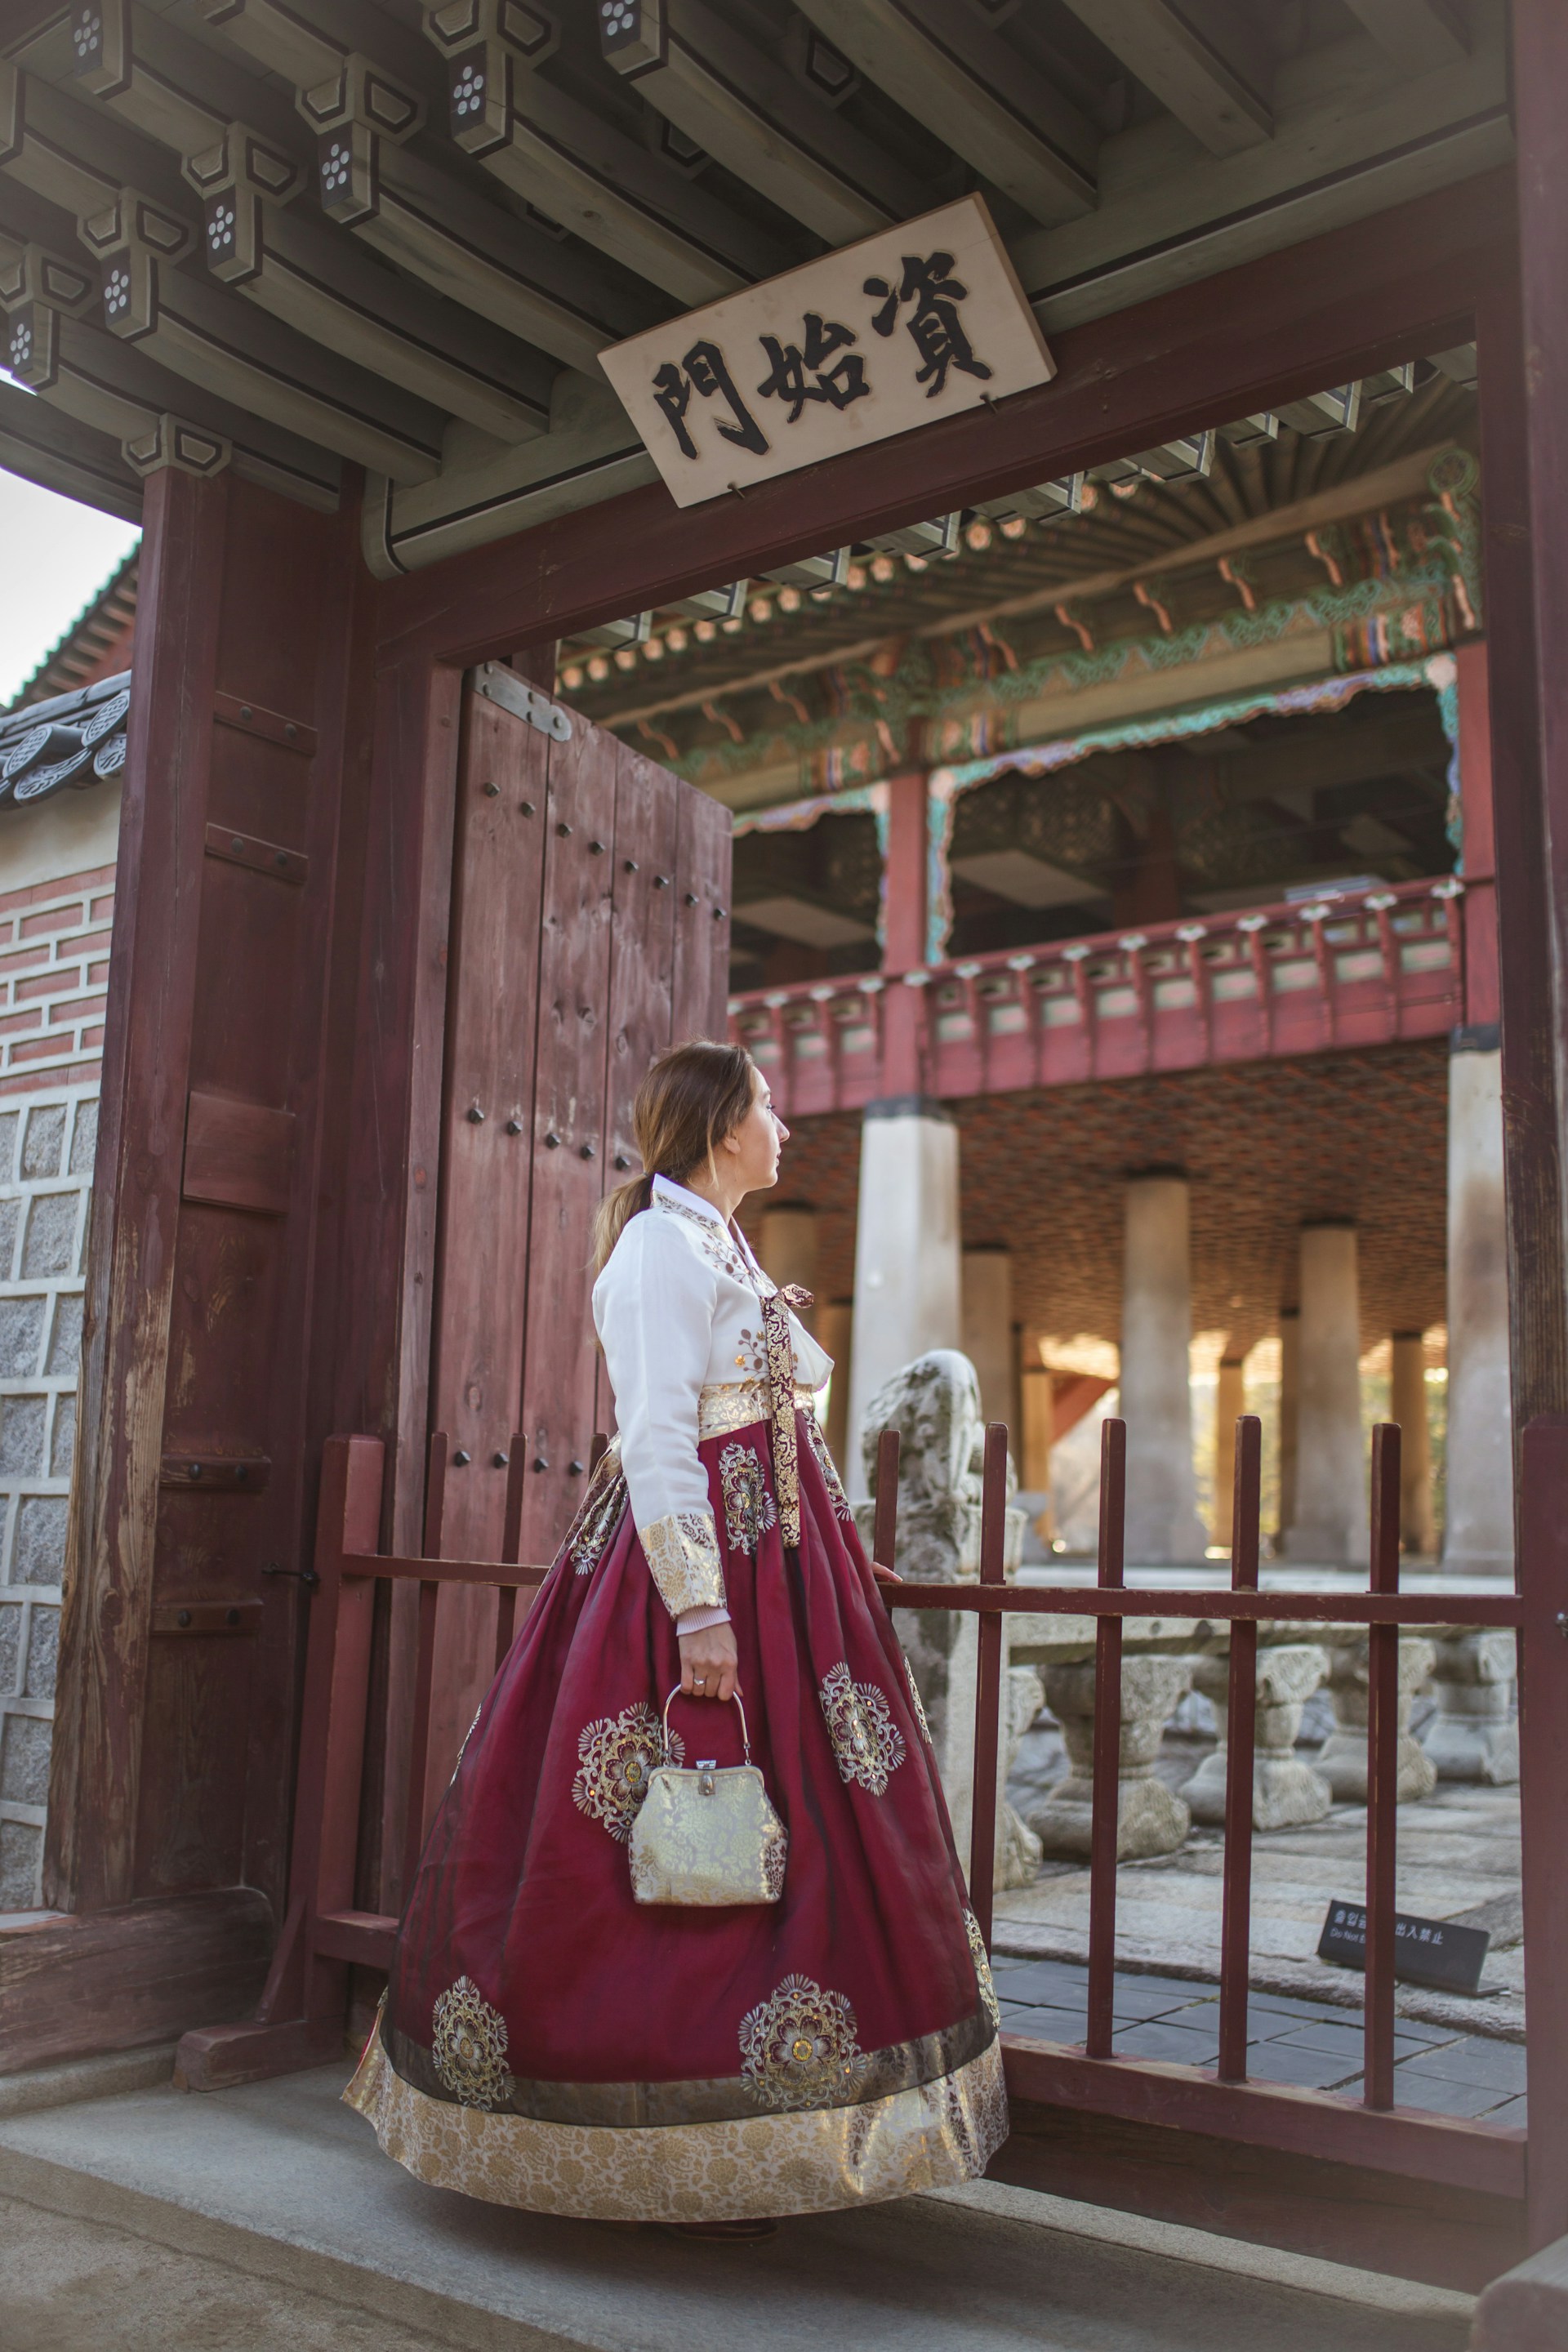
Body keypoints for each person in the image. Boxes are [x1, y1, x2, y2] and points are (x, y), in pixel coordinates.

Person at [345, 1038, 1006, 2231]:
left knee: (828, 1819)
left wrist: (842, 1552)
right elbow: (657, 1436)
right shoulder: (657, 1247)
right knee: (648, 1824)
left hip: (787, 1576)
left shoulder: (719, 1238)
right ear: (718, 1125)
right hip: (701, 1579)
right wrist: (699, 1609)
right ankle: (619, 2110)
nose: (785, 1128)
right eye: (768, 1108)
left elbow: (775, 1429)